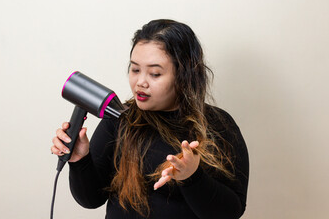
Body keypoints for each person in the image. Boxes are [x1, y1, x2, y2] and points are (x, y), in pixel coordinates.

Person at [51, 19, 249, 219]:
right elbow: (90, 199)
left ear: (184, 74)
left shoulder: (219, 126)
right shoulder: (119, 120)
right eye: (135, 69)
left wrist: (192, 177)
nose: (140, 82)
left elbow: (232, 212)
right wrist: (79, 161)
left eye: (155, 73)